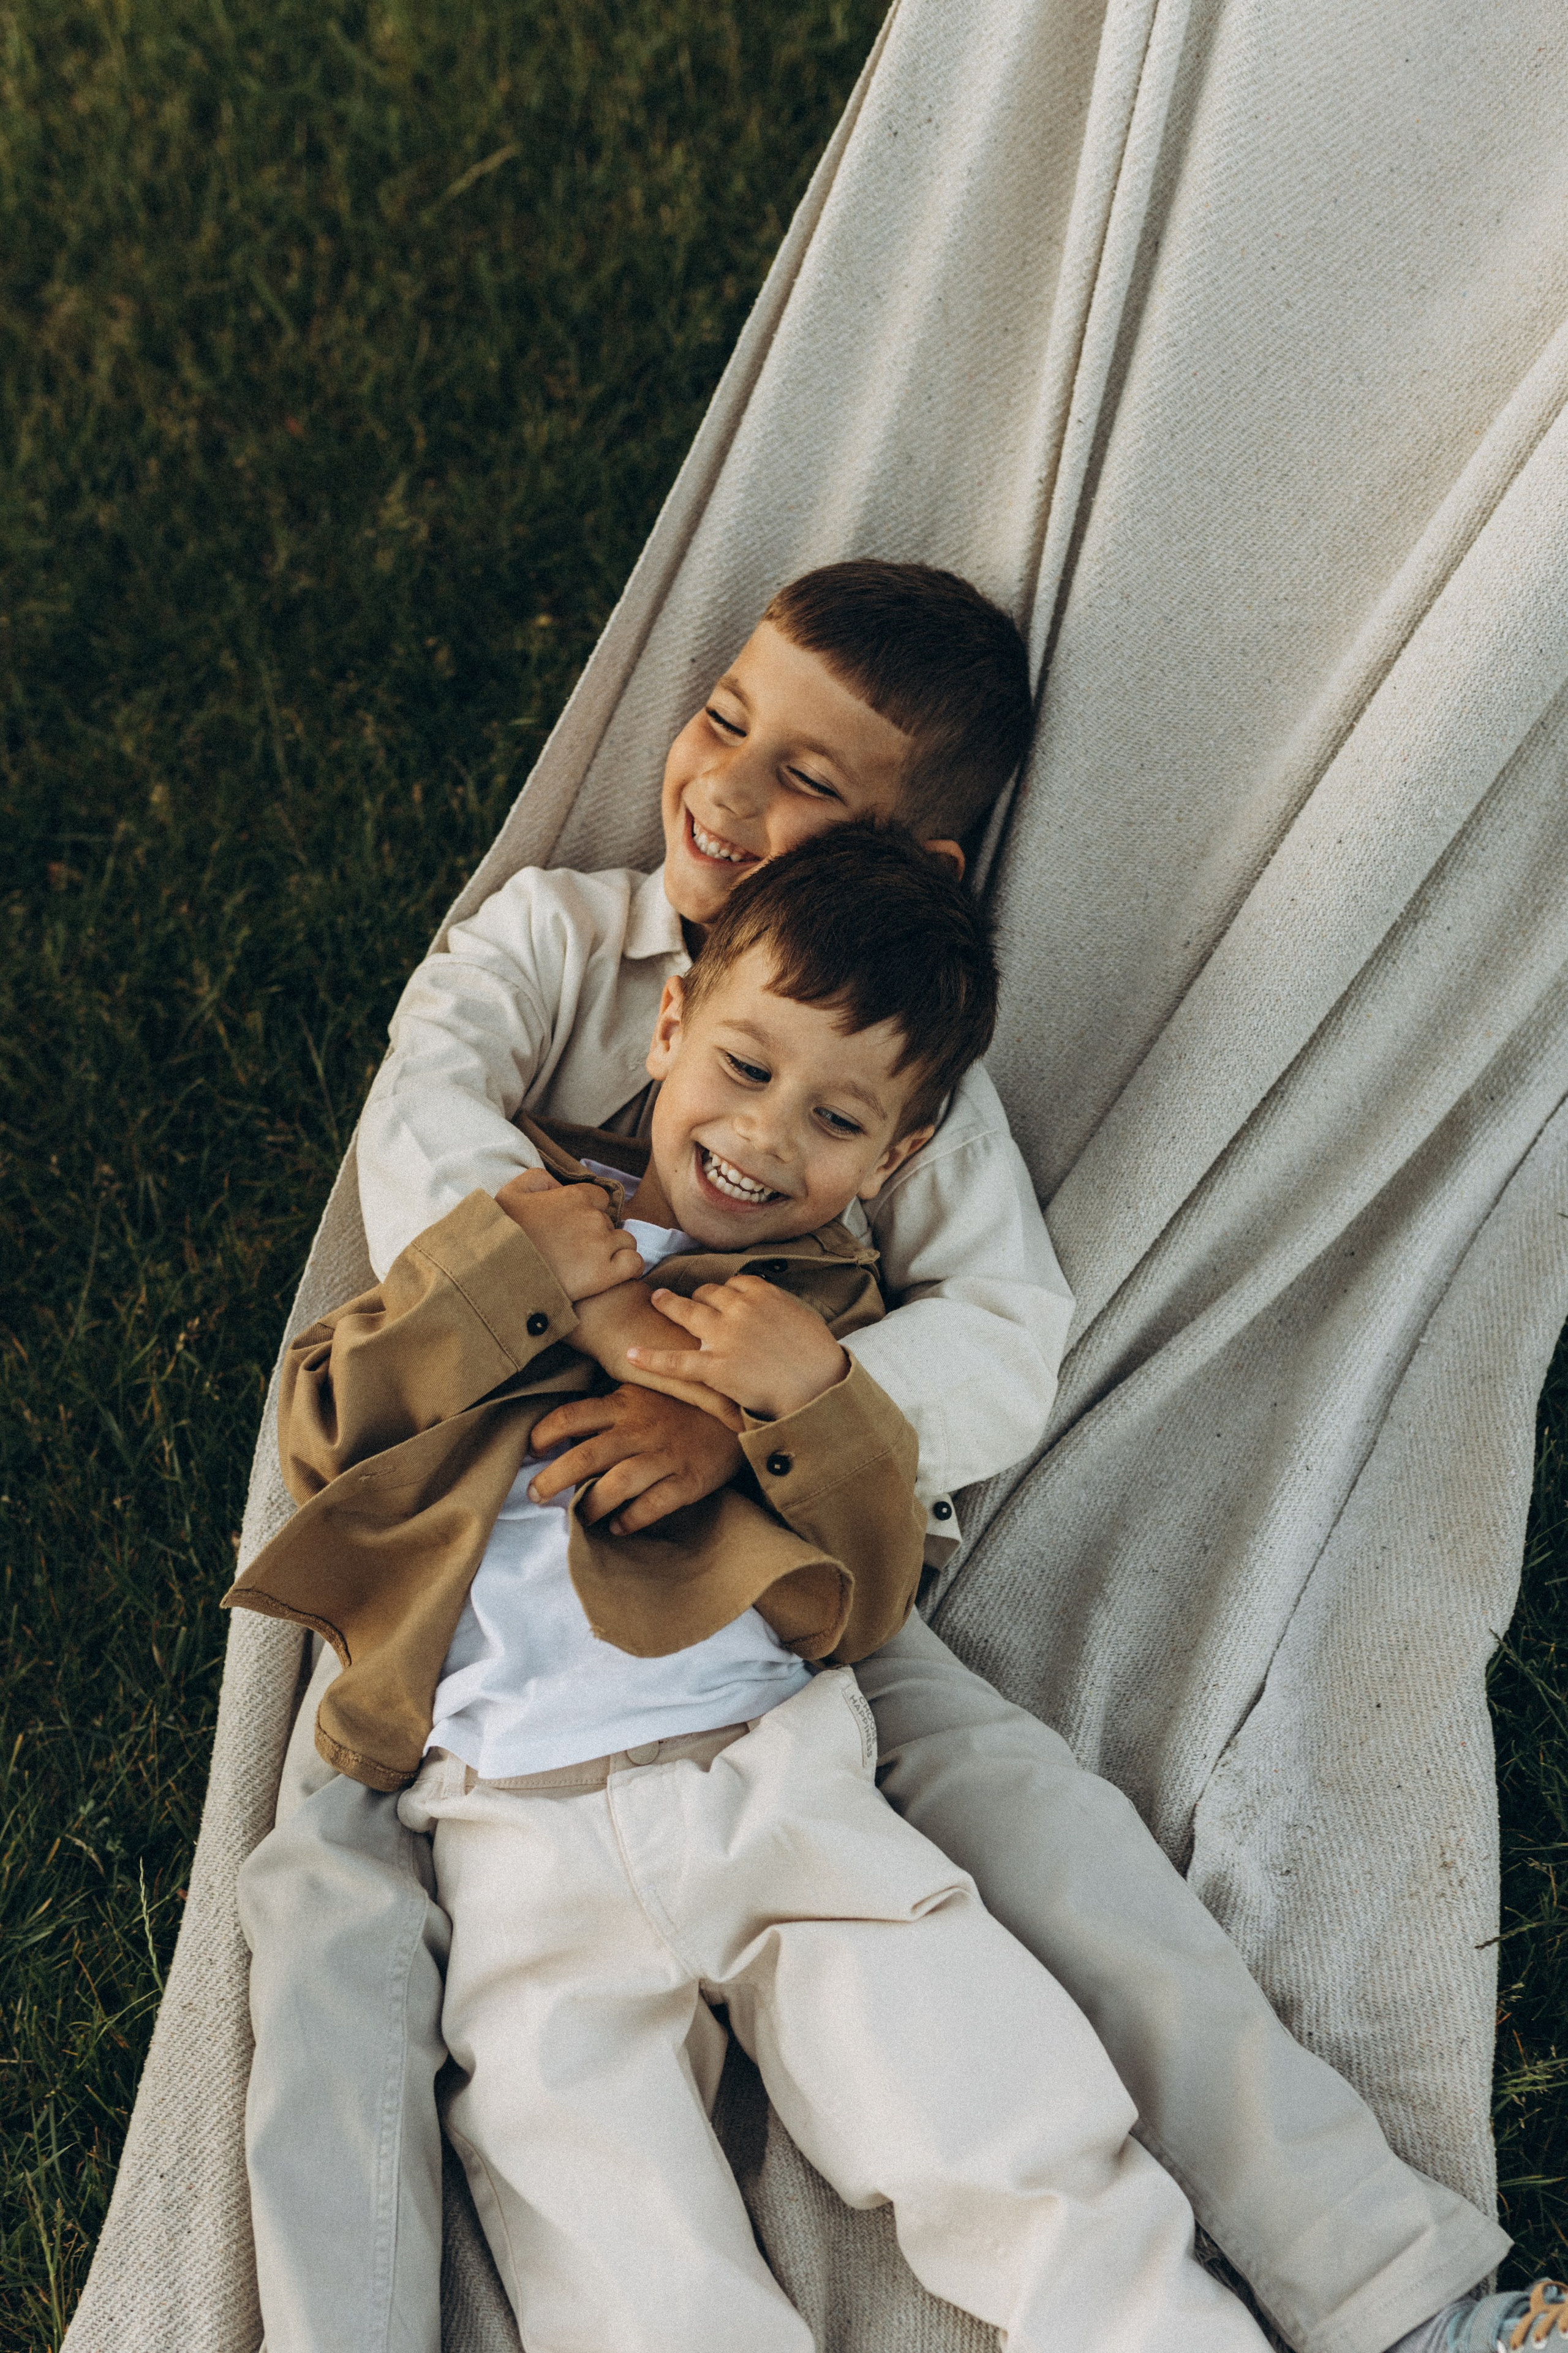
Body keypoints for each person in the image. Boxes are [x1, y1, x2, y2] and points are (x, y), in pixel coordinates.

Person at [235, 561, 1553, 2353]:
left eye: (803, 781)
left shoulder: (902, 1076)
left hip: (778, 1651)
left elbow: (1001, 1338)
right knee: (543, 2166)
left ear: (908, 863)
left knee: (1042, 1955)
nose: (725, 792)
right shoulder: (562, 942)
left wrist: (753, 1412)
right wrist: (602, 1308)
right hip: (490, 1714)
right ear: (680, 1026)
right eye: (723, 724)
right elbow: (422, 1138)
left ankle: (1403, 2308)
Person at [232, 827, 1279, 2353]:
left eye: (835, 1118)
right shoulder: (522, 1218)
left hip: (770, 1783)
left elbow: (866, 1591)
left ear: (893, 1161)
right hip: (509, 1823)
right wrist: (526, 1281)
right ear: (669, 1024)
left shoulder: (825, 1315)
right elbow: (329, 1420)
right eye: (742, 1065)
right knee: (609, 2237)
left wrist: (808, 1407)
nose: (765, 1135)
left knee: (996, 2120)